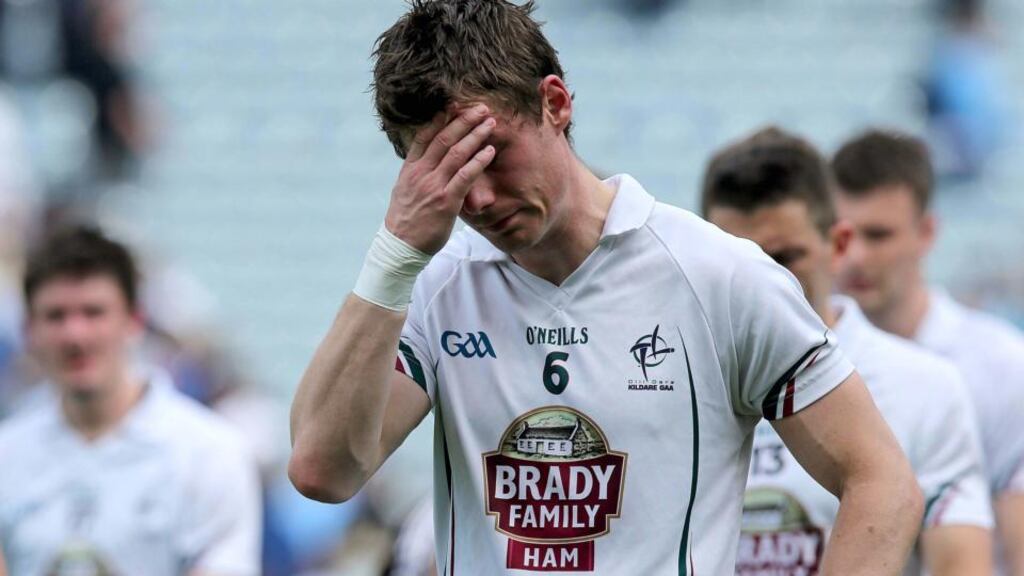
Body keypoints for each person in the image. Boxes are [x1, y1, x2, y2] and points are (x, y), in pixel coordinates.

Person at [288, 1, 922, 574]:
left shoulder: (719, 276)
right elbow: (323, 472)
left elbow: (882, 481)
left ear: (555, 104)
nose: (475, 198)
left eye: (491, 154)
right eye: (445, 172)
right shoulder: (432, 286)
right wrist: (394, 257)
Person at [701, 126, 994, 575]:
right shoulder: (671, 378)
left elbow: (960, 565)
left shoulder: (923, 386)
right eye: (738, 262)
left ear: (836, 246)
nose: (761, 285)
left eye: (783, 259)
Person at [0, 226, 261, 576]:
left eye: (93, 313)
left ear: (134, 320)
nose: (75, 335)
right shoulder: (8, 455)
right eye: (56, 316)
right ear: (29, 330)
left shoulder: (208, 454)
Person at [832, 129, 1024, 575]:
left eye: (878, 235)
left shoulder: (1002, 366)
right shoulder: (803, 364)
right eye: (842, 235)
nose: (856, 256)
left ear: (927, 232)